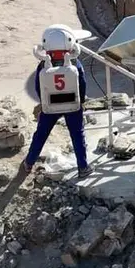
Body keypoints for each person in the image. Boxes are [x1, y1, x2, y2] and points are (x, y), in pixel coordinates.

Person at [22, 26, 93, 178]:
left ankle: (29, 162)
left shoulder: (43, 65)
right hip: (72, 105)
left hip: (50, 106)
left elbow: (38, 86)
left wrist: (45, 103)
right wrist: (80, 102)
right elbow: (82, 84)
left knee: (41, 134)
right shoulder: (75, 64)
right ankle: (83, 167)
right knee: (77, 135)